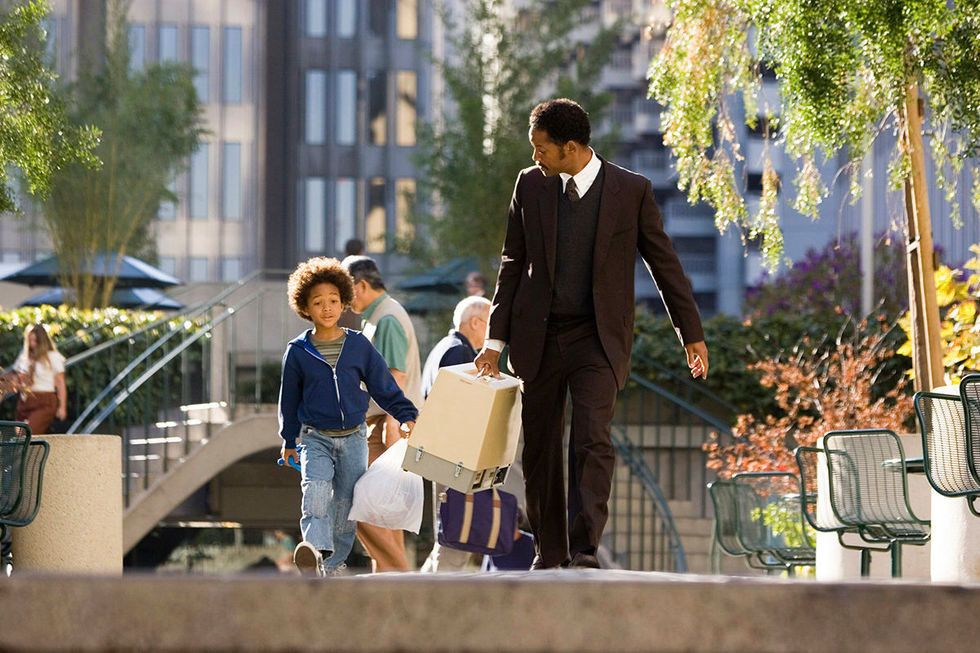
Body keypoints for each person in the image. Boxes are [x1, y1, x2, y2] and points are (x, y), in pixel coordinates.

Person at [475, 98, 709, 570]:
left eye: (542, 148)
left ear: (572, 147)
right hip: (538, 338)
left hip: (598, 340)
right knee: (540, 446)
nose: (535, 156)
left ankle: (584, 550)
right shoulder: (530, 185)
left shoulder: (631, 191)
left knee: (592, 439)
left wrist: (691, 333)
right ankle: (550, 550)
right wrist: (494, 342)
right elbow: (512, 264)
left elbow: (664, 264)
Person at [278, 257, 419, 577]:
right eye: (318, 302)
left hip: (355, 437)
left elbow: (383, 385)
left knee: (345, 504)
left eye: (333, 301)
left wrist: (406, 414)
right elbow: (288, 400)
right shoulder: (298, 351)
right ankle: (313, 548)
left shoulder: (358, 346)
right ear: (305, 307)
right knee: (314, 489)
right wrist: (288, 439)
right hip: (316, 437)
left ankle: (330, 564)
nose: (326, 308)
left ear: (344, 302)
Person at [341, 255, 424, 572]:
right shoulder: (378, 316)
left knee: (359, 502)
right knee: (384, 511)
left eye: (347, 293)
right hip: (384, 424)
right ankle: (392, 584)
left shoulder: (386, 318)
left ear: (361, 285)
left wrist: (393, 433)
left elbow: (395, 380)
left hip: (386, 426)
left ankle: (401, 576)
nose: (345, 303)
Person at [419, 296, 491, 572]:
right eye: (490, 325)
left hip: (441, 452)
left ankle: (423, 594)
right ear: (475, 322)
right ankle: (435, 604)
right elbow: (460, 407)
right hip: (453, 457)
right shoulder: (460, 352)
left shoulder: (443, 348)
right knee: (458, 536)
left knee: (449, 535)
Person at [13, 324, 67, 435]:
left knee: (27, 433)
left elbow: (60, 383)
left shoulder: (52, 356)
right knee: (19, 437)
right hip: (25, 401)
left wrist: (62, 407)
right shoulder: (24, 357)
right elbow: (17, 378)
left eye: (35, 341)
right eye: (30, 340)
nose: (33, 344)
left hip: (44, 401)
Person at [338, 239, 366, 330]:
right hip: (357, 310)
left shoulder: (340, 268)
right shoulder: (363, 270)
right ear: (361, 252)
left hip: (341, 311)